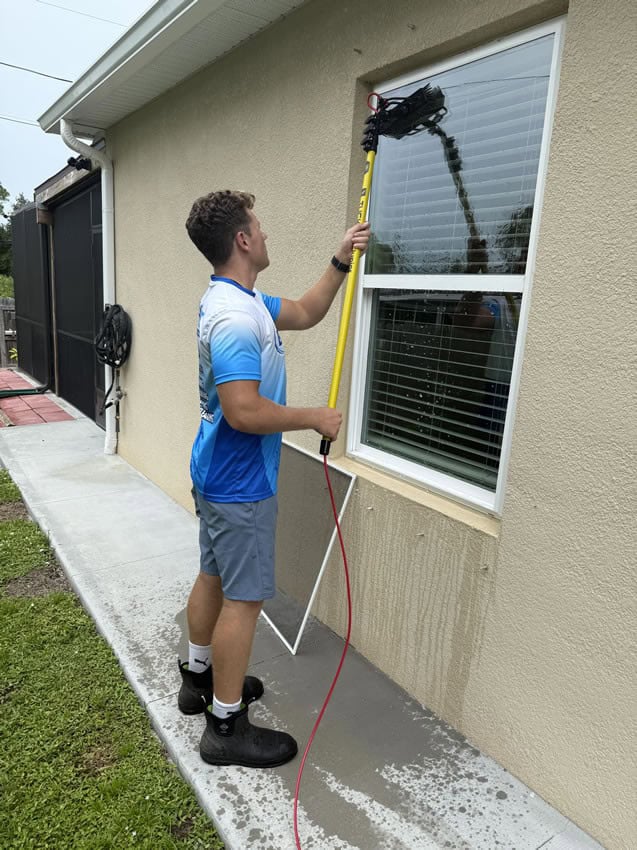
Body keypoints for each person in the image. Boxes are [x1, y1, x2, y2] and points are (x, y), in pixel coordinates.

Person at [178, 189, 369, 768]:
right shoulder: (238, 318)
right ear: (242, 240)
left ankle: (198, 677)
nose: (265, 234)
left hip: (214, 474)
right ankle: (225, 727)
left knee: (213, 576)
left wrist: (341, 258)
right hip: (239, 485)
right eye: (258, 227)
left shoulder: (239, 299)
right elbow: (243, 410)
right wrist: (314, 416)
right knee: (245, 600)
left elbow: (309, 311)